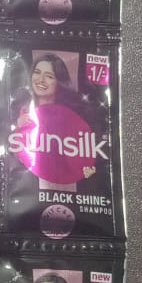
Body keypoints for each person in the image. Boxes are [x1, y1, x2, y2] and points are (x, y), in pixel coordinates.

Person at [11, 54, 95, 192]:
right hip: (27, 190)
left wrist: (88, 169)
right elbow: (12, 157)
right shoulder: (19, 111)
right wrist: (18, 129)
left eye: (49, 76)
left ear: (59, 82)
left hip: (64, 189)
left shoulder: (71, 118)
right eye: (37, 72)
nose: (40, 80)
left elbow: (84, 159)